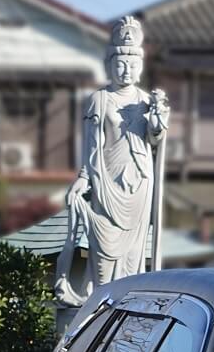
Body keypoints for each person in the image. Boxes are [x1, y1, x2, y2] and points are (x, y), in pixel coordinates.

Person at [55, 16, 169, 306]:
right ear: (108, 65)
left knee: (133, 254)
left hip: (139, 181)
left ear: (141, 67)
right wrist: (83, 178)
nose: (126, 70)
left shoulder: (145, 100)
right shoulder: (100, 100)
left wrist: (157, 122)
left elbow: (154, 141)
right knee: (103, 249)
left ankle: (130, 307)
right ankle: (100, 306)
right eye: (120, 64)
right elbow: (92, 146)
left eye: (132, 64)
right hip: (106, 181)